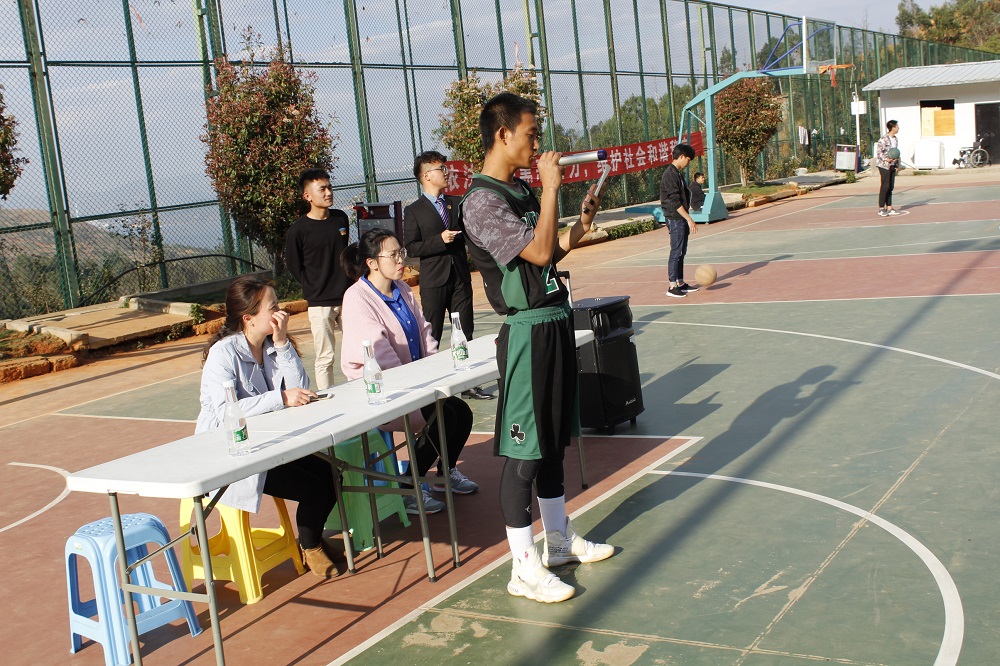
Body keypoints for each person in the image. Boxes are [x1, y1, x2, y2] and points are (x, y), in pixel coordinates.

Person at [461, 92, 614, 605]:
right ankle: (523, 567)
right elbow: (540, 248)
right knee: (524, 454)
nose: (538, 144)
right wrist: (551, 188)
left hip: (554, 321)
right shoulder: (481, 202)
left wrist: (581, 225)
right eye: (531, 134)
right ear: (502, 134)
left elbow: (550, 253)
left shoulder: (521, 190)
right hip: (526, 332)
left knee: (551, 444)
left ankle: (559, 541)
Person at [196, 276, 340, 577]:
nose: (280, 312)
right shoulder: (223, 354)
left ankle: (311, 540)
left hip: (267, 444)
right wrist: (280, 398)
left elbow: (302, 388)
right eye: (273, 307)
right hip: (232, 453)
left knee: (331, 473)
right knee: (314, 487)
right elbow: (225, 412)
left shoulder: (271, 344)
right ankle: (311, 547)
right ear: (248, 318)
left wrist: (283, 343)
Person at [340, 228, 479, 514]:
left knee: (461, 412)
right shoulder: (357, 298)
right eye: (393, 255)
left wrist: (436, 371)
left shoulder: (402, 288)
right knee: (443, 417)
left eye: (401, 252)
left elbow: (425, 331)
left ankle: (446, 472)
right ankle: (408, 487)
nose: (401, 259)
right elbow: (379, 352)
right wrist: (419, 385)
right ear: (372, 263)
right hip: (381, 391)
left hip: (416, 385)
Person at [403, 151, 493, 401]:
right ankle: (428, 385)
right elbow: (411, 248)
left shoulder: (455, 203)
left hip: (460, 277)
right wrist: (439, 240)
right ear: (426, 176)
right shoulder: (414, 211)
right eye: (441, 169)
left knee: (465, 329)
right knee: (431, 333)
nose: (446, 172)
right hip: (434, 281)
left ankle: (468, 384)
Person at [285, 168, 351, 390]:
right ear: (307, 196)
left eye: (329, 187)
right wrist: (314, 287)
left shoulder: (341, 218)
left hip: (348, 298)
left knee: (360, 348)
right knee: (325, 357)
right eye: (322, 189)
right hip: (319, 304)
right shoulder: (297, 231)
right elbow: (294, 265)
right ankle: (328, 399)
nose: (328, 192)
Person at [661, 143, 699, 298]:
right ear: (682, 156)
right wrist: (689, 219)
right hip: (675, 218)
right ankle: (672, 286)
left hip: (680, 218)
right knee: (676, 251)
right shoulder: (670, 174)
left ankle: (680, 283)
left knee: (681, 251)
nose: (688, 163)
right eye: (688, 160)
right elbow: (674, 201)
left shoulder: (677, 173)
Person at [875, 120, 900, 217]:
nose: (898, 128)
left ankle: (889, 207)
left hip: (892, 165)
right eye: (897, 126)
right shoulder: (883, 139)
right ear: (893, 127)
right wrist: (887, 159)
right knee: (885, 186)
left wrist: (896, 163)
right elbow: (879, 152)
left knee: (890, 186)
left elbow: (895, 152)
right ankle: (881, 208)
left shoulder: (895, 139)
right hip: (884, 165)